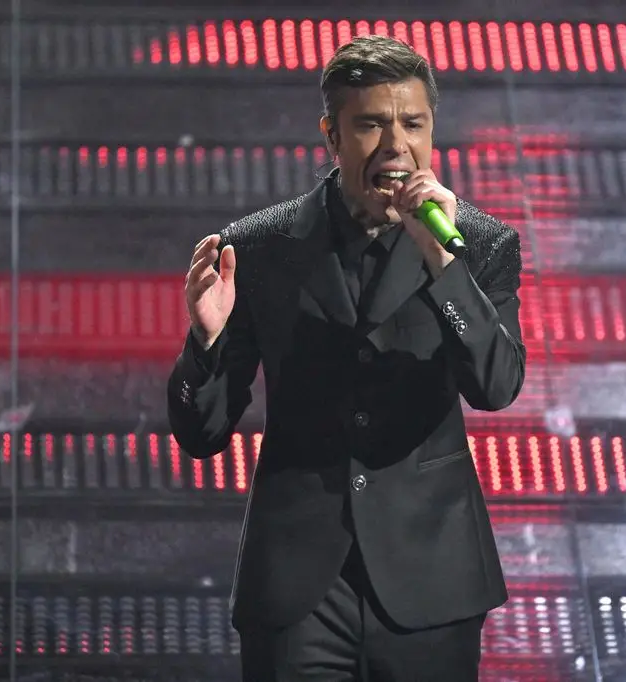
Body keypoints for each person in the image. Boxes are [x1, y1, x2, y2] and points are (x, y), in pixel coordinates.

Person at [168, 35, 526, 682]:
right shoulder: (260, 247)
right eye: (371, 124)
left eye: (413, 124)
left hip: (432, 579)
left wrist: (442, 266)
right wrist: (206, 341)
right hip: (298, 588)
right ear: (332, 135)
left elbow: (496, 385)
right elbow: (203, 433)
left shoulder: (478, 243)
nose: (396, 145)